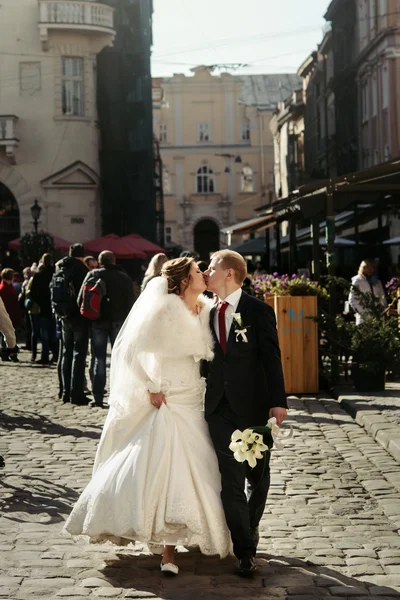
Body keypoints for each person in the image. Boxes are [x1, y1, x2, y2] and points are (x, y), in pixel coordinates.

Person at [64, 257, 231, 573]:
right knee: (169, 466)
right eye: (198, 272)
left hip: (195, 396)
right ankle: (168, 553)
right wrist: (151, 386)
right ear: (183, 280)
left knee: (202, 465)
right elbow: (127, 351)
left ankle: (192, 533)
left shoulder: (207, 310)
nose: (203, 276)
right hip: (168, 398)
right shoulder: (164, 310)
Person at [204, 249, 287, 577]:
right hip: (219, 410)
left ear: (228, 273)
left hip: (252, 408)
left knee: (256, 475)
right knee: (231, 480)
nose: (205, 272)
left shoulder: (257, 311)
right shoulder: (209, 312)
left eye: (210, 267)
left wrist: (278, 401)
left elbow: (271, 358)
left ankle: (250, 527)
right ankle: (244, 550)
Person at [80, 250, 135, 408]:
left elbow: (81, 299)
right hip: (118, 321)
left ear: (99, 261)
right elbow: (131, 302)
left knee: (99, 359)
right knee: (119, 359)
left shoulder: (93, 275)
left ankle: (97, 397)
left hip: (98, 321)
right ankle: (119, 396)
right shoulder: (123, 277)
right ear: (114, 260)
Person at [54, 243, 89, 405]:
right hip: (78, 316)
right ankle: (76, 394)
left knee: (65, 353)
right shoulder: (81, 270)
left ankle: (64, 392)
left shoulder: (60, 267)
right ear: (82, 256)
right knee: (78, 354)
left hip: (62, 315)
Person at [29, 254, 58, 365]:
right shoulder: (56, 274)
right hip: (55, 308)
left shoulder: (39, 276)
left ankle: (45, 355)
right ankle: (56, 354)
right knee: (54, 334)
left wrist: (41, 303)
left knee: (45, 334)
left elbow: (33, 293)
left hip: (44, 309)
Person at [349, 259, 387, 325]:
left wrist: (383, 310)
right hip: (363, 320)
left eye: (373, 267)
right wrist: (364, 313)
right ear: (363, 268)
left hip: (378, 318)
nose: (372, 270)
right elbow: (352, 300)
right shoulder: (357, 281)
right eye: (369, 268)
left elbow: (382, 298)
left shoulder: (377, 282)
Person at [0, 268, 22, 360]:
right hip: (9, 314)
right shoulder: (4, 288)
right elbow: (6, 326)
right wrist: (12, 345)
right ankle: (8, 352)